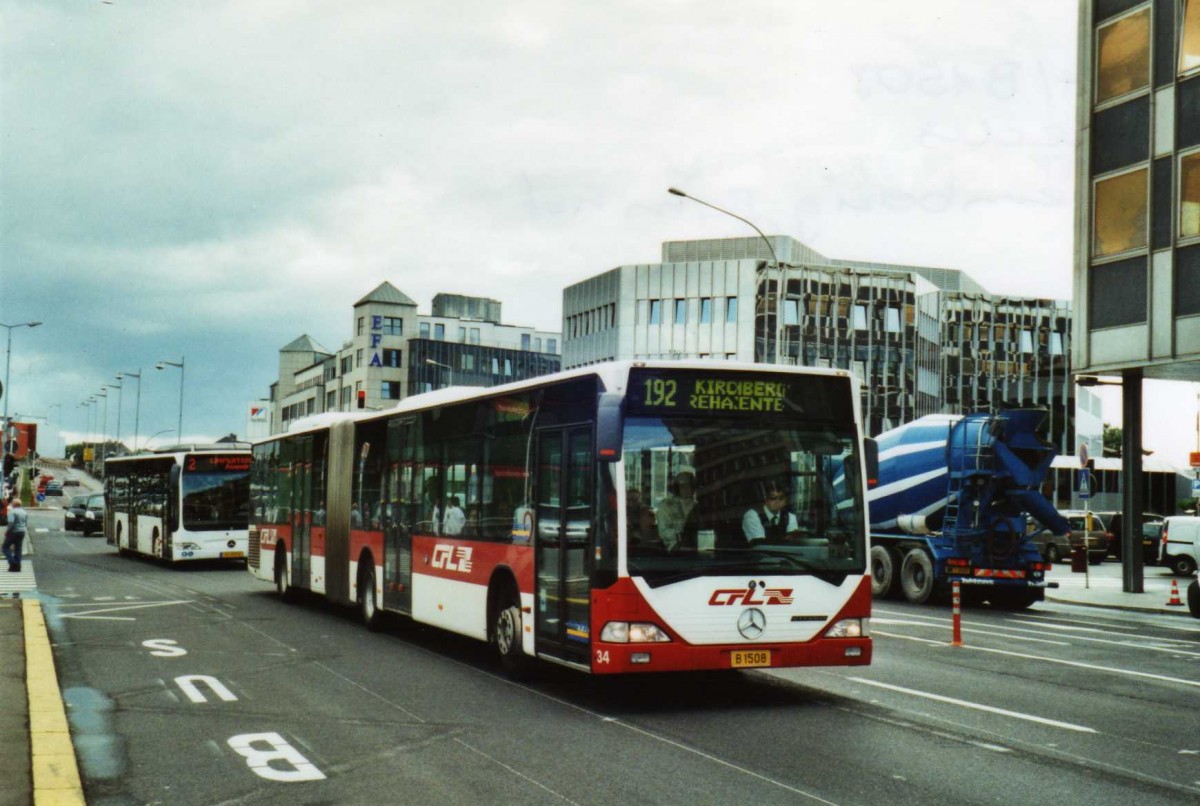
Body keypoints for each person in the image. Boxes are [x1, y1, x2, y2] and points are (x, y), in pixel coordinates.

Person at [656, 471, 696, 550]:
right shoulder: (665, 505)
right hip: (674, 550)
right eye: (682, 486)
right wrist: (680, 535)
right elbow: (663, 532)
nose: (686, 488)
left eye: (689, 485)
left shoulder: (698, 505)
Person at [4, 497, 28, 572]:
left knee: (5, 547)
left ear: (13, 504)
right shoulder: (24, 512)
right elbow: (26, 523)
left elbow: (11, 523)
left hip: (13, 532)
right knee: (18, 548)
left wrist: (7, 531)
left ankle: (13, 563)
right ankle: (18, 565)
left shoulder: (12, 512)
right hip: (22, 532)